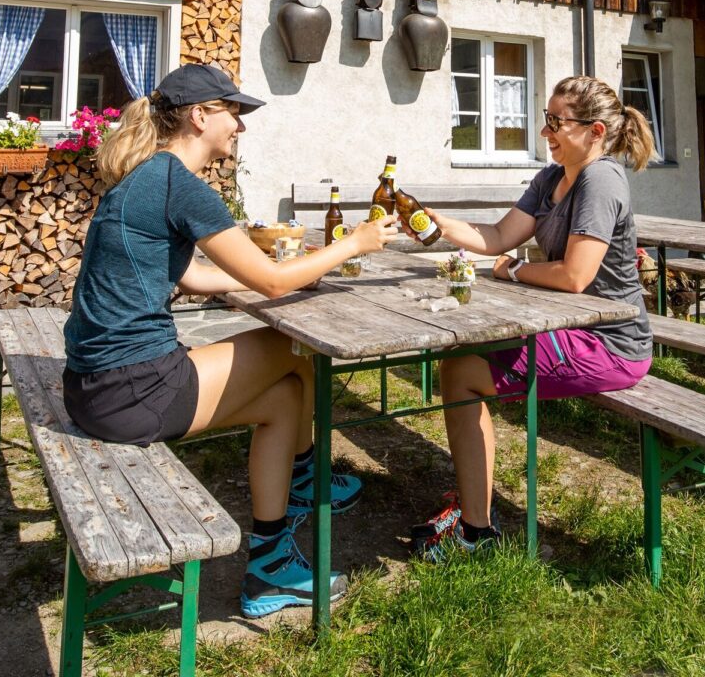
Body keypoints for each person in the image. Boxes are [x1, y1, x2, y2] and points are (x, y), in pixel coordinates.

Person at [62, 63, 392, 617]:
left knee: (285, 397)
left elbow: (192, 277)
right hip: (129, 390)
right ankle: (304, 485)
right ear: (199, 116)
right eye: (232, 113)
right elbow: (271, 282)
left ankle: (271, 561)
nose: (240, 127)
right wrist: (353, 245)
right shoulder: (179, 185)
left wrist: (290, 275)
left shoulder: (145, 175)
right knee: (295, 349)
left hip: (95, 386)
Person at [411, 73, 657, 560]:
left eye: (556, 123)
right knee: (458, 360)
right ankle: (474, 513)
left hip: (611, 344)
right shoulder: (551, 178)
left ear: (595, 132)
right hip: (573, 330)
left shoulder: (601, 180)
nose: (545, 132)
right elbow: (498, 237)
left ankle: (475, 533)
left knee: (460, 370)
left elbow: (575, 276)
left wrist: (516, 271)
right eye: (547, 119)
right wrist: (439, 224)